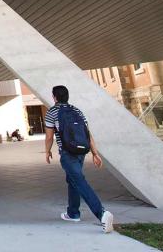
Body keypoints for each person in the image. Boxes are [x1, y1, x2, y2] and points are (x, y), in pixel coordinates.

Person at [44, 85, 114, 233]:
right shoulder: (77, 111)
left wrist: (47, 151)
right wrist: (95, 153)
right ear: (67, 96)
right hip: (81, 152)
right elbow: (87, 134)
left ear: (54, 97)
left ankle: (102, 214)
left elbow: (49, 136)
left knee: (79, 181)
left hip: (67, 153)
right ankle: (73, 213)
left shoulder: (52, 112)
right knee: (73, 180)